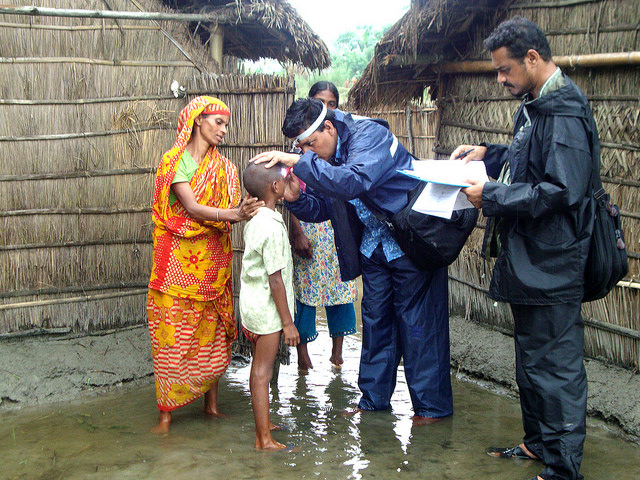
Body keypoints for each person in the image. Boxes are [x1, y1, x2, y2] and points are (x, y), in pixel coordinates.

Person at [452, 16, 598, 480]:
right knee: (531, 361)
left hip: (555, 262)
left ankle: (563, 467)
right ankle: (538, 444)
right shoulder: (536, 104)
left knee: (556, 367)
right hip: (532, 259)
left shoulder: (566, 113)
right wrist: (488, 154)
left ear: (532, 59)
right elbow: (530, 160)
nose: (500, 80)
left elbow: (562, 189)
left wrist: (491, 195)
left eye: (504, 70)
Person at [251, 98, 453, 425]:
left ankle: (431, 409)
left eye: (311, 145)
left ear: (329, 127)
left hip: (411, 244)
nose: (310, 154)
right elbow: (325, 208)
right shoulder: (327, 152)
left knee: (418, 327)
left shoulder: (369, 136)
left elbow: (352, 181)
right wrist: (297, 198)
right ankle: (373, 400)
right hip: (375, 249)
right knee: (375, 325)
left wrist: (297, 161)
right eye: (303, 148)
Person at [147, 96, 263, 434]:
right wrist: (233, 214)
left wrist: (237, 213)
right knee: (171, 334)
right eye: (218, 122)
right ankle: (166, 414)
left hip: (212, 264)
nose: (223, 130)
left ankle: (211, 406)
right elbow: (191, 207)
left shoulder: (225, 168)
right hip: (175, 264)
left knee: (210, 330)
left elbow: (225, 210)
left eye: (226, 124)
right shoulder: (174, 161)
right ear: (198, 120)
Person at [289, 81, 358, 371]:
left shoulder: (343, 150)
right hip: (309, 227)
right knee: (305, 292)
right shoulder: (298, 149)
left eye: (331, 104)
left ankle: (337, 355)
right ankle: (303, 357)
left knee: (340, 290)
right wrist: (297, 232)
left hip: (336, 230)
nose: (326, 109)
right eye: (320, 102)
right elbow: (290, 193)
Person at [240, 161, 300, 451]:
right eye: (284, 178)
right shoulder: (272, 227)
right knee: (262, 374)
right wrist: (287, 323)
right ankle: (263, 439)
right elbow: (275, 280)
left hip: (252, 308)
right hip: (267, 313)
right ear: (275, 188)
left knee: (257, 369)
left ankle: (264, 423)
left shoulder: (257, 219)